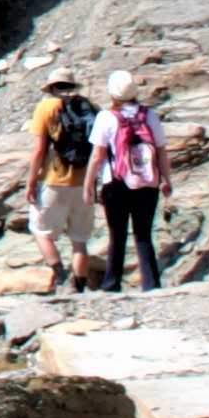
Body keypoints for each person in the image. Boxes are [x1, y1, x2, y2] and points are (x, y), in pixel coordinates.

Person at [87, 69, 168, 293]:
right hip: (148, 182)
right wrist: (166, 179)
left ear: (112, 93)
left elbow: (97, 156)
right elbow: (161, 151)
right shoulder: (149, 116)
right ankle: (151, 284)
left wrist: (88, 185)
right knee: (144, 234)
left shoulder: (106, 117)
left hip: (116, 183)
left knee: (117, 235)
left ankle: (111, 284)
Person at [25, 71, 98, 295]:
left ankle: (61, 277)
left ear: (52, 87)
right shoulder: (89, 107)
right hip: (84, 181)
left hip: (54, 180)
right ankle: (80, 288)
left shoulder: (46, 108)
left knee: (40, 231)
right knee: (79, 240)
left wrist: (31, 181)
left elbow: (40, 149)